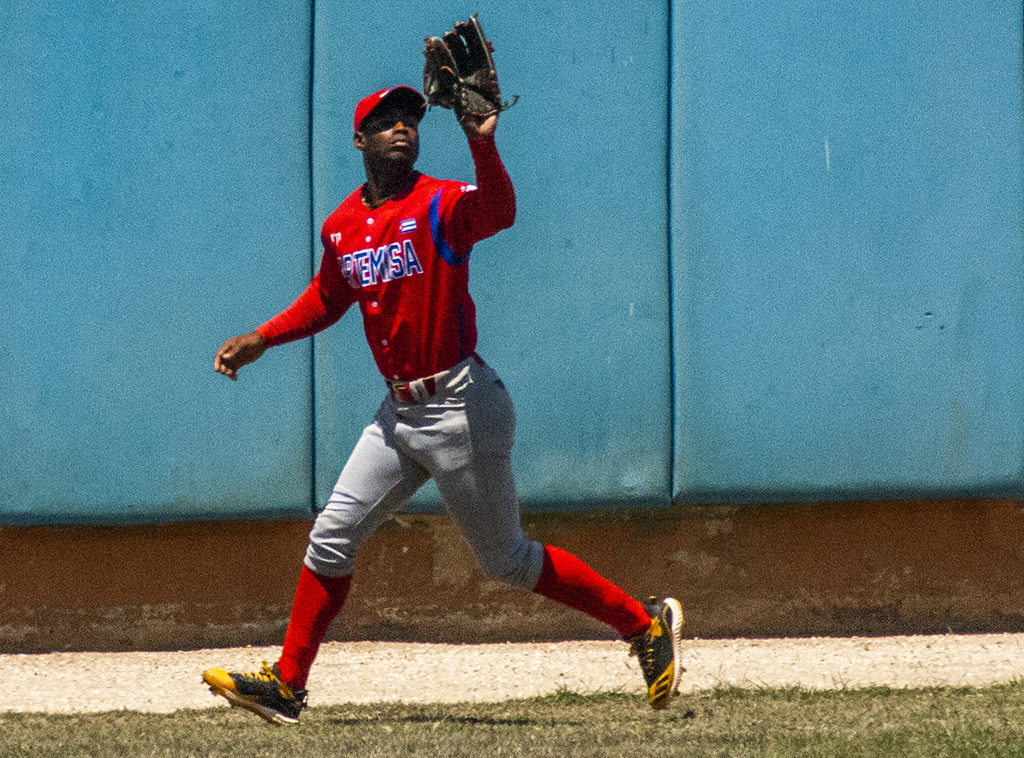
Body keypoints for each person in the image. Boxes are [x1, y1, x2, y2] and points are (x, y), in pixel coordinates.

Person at [202, 85, 684, 725]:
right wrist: (264, 336)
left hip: (461, 404)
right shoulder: (343, 224)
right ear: (359, 140)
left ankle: (643, 625)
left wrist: (482, 141)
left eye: (410, 118)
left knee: (507, 559)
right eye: (383, 120)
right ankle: (287, 686)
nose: (401, 127)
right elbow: (327, 296)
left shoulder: (441, 203)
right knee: (331, 535)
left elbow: (500, 211)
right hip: (398, 415)